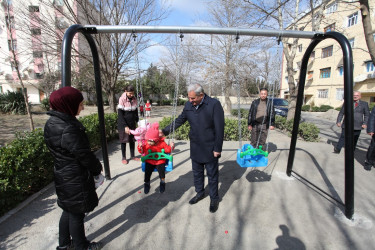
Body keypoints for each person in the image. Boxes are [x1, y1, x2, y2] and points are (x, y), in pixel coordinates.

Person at [44, 86, 103, 250]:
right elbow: (84, 155)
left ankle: (63, 245)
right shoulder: (68, 128)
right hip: (75, 178)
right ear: (68, 104)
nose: (83, 107)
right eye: (80, 103)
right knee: (77, 214)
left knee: (68, 209)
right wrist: (97, 169)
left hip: (63, 175)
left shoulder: (52, 123)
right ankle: (81, 246)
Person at [161, 83, 224, 213]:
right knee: (197, 173)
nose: (190, 101)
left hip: (210, 146)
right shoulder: (189, 105)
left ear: (201, 95)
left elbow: (219, 128)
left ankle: (214, 198)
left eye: (193, 98)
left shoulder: (213, 105)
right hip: (195, 146)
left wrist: (217, 148)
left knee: (212, 175)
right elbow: (180, 120)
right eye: (189, 98)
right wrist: (165, 131)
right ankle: (200, 193)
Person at [138, 122, 174, 194]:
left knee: (162, 173)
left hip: (160, 162)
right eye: (147, 140)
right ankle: (147, 183)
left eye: (150, 141)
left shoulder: (162, 143)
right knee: (147, 173)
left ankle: (162, 182)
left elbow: (168, 150)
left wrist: (171, 146)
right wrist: (140, 146)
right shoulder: (146, 144)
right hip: (149, 161)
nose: (148, 142)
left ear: (156, 139)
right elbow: (141, 151)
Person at [117, 85, 140, 164]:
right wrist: (125, 126)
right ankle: (123, 157)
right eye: (130, 93)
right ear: (125, 91)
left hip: (131, 123)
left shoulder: (134, 99)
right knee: (123, 140)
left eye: (132, 93)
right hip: (123, 123)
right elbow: (120, 114)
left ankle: (132, 156)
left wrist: (138, 122)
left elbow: (136, 112)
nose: (131, 95)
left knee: (132, 140)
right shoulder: (122, 99)